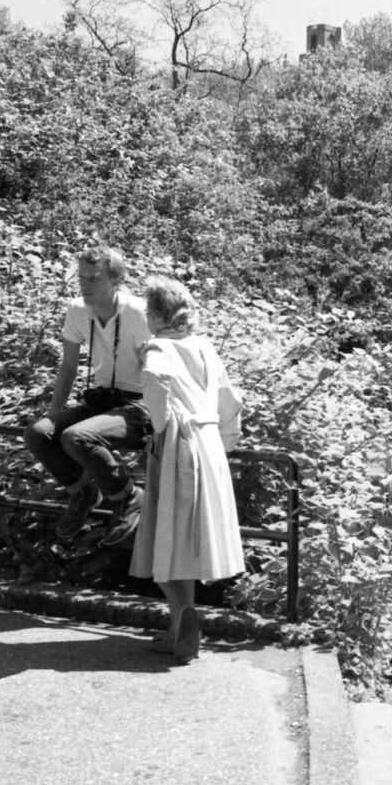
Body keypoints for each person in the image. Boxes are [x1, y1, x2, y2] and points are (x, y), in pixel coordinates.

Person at [128, 278, 245, 665]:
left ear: (158, 315)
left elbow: (157, 383)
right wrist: (225, 440)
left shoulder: (158, 347)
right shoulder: (204, 345)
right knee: (189, 539)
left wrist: (160, 428)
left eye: (148, 310)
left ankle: (181, 616)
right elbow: (229, 398)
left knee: (163, 535)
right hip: (209, 443)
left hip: (179, 443)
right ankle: (179, 626)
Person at [23, 247, 152, 544]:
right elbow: (68, 367)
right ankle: (83, 493)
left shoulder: (138, 313)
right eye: (81, 277)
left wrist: (162, 421)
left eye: (94, 278)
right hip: (104, 401)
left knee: (77, 437)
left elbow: (156, 373)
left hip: (141, 404)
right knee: (38, 433)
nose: (85, 285)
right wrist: (53, 416)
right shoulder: (78, 310)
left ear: (117, 279)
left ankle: (128, 496)